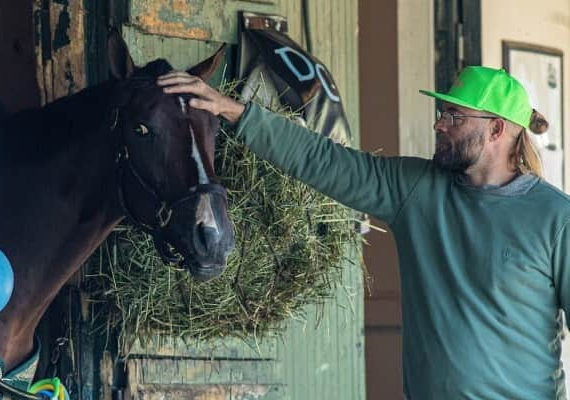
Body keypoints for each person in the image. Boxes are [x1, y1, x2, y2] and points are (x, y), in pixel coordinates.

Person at [158, 66, 569, 399]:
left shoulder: (554, 217)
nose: (438, 124)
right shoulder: (413, 188)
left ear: (497, 130)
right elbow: (324, 162)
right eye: (442, 112)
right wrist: (236, 112)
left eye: (454, 116)